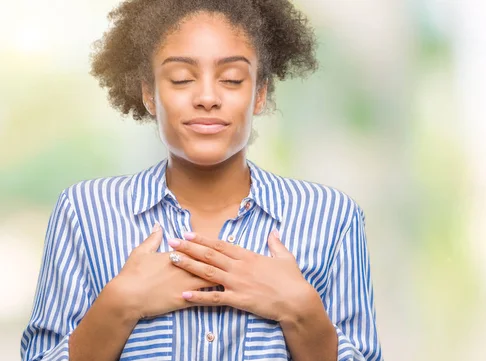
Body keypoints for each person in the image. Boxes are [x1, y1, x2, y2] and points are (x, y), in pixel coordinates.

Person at [20, 0, 383, 360]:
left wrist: (302, 311)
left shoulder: (333, 217)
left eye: (231, 79)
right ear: (150, 94)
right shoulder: (85, 212)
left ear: (259, 93)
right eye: (181, 79)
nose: (207, 97)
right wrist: (119, 304)